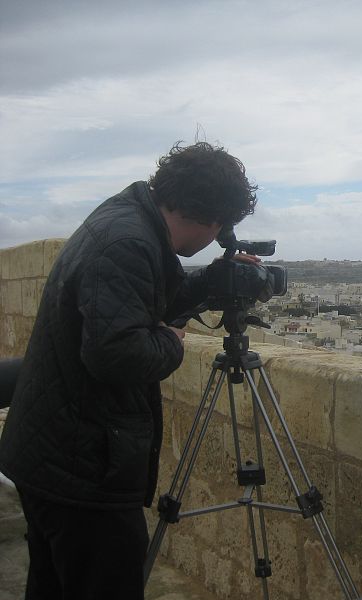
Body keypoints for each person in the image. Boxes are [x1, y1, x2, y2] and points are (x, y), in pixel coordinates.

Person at [0, 141, 258, 599]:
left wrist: (208, 283)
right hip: (82, 466)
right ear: (212, 218)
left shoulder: (130, 219)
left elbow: (133, 300)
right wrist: (170, 342)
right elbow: (116, 353)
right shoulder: (127, 242)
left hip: (56, 452)